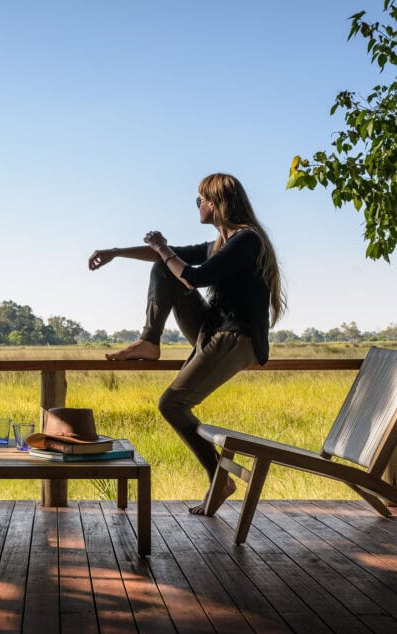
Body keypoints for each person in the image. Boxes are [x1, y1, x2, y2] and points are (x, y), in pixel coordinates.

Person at [88, 172, 285, 515]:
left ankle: (218, 479)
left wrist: (162, 247)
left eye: (200, 200)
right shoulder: (221, 244)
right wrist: (116, 252)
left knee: (171, 404)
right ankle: (150, 341)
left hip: (236, 337)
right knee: (164, 269)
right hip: (213, 329)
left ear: (216, 203)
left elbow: (195, 277)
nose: (197, 206)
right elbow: (172, 258)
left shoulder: (247, 240)